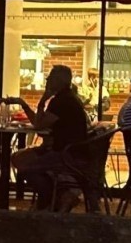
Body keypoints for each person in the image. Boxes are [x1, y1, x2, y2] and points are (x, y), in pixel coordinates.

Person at [11, 65, 90, 210]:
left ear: (59, 81)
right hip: (70, 150)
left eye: (50, 77)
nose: (47, 80)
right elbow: (39, 123)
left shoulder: (61, 101)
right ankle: (56, 196)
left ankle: (52, 198)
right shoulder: (69, 99)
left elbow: (39, 124)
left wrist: (42, 101)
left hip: (64, 153)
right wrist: (25, 105)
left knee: (24, 165)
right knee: (18, 157)